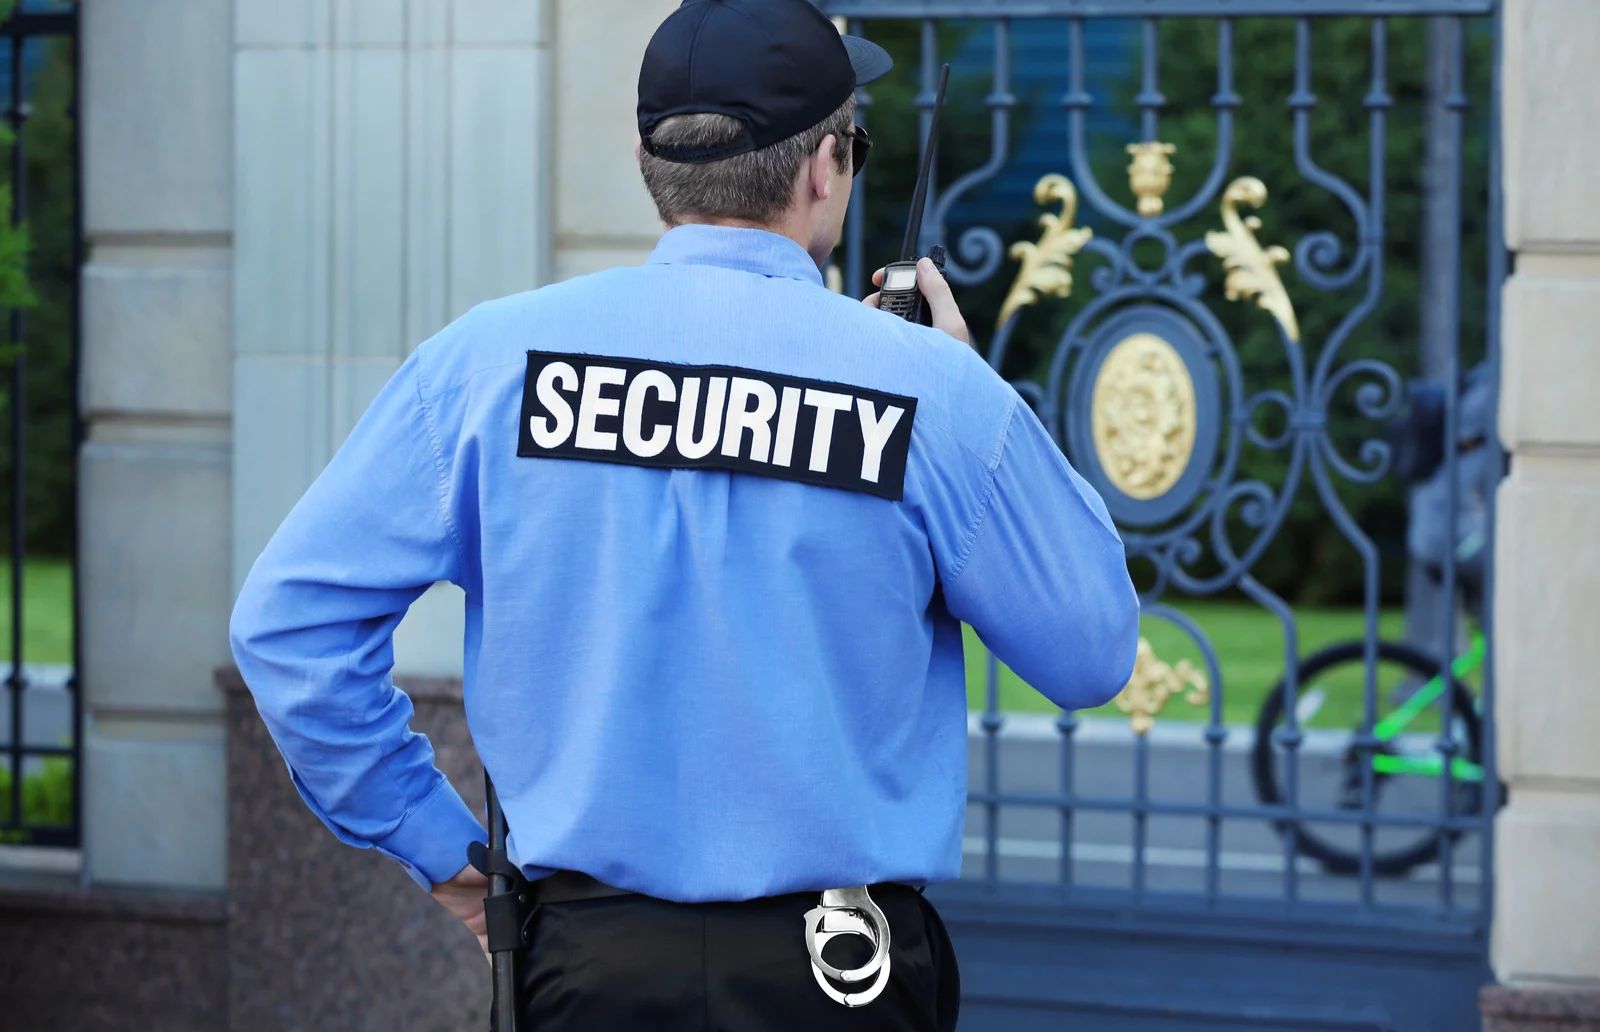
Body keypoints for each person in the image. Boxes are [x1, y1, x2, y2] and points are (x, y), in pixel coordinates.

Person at [228, 0, 1140, 1028]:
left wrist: (441, 848)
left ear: (648, 160)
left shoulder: (485, 365)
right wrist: (970, 398)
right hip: (841, 976)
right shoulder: (929, 390)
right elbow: (1091, 650)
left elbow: (288, 630)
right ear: (823, 168)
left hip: (584, 969)